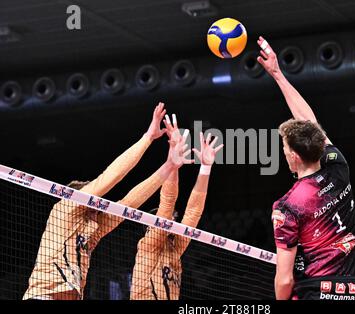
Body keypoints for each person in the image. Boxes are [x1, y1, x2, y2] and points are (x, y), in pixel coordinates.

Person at [23, 103, 193, 300]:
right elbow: (110, 177)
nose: (99, 204)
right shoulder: (67, 206)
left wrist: (170, 166)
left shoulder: (91, 230)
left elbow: (128, 204)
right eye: (94, 201)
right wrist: (147, 138)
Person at [257, 37, 355, 300]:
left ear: (293, 156)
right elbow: (310, 124)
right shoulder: (338, 167)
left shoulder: (289, 206)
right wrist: (278, 75)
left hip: (315, 293)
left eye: (283, 148)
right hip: (354, 292)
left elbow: (284, 279)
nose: (282, 152)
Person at [130, 115, 223, 300]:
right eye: (169, 217)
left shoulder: (175, 248)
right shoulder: (148, 245)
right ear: (150, 226)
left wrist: (205, 168)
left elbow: (193, 213)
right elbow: (167, 202)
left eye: (173, 216)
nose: (173, 218)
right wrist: (172, 159)